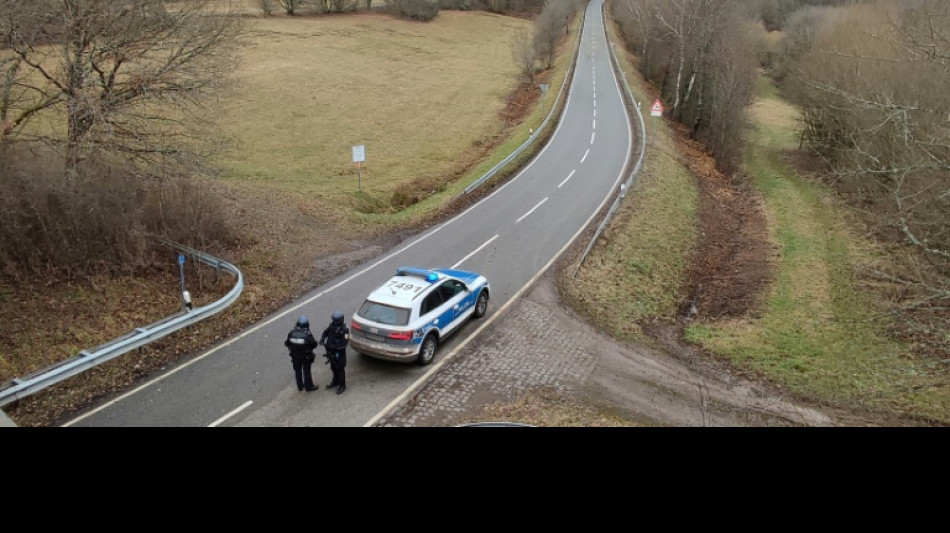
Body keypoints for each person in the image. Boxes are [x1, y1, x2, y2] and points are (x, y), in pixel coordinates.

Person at [285, 315, 318, 392]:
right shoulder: (307, 334)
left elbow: (287, 343)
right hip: (306, 356)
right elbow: (314, 344)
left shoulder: (291, 333)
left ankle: (300, 386)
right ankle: (309, 386)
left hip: (295, 356)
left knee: (297, 371)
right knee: (306, 371)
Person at [320, 311, 349, 395]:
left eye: (335, 320)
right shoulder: (332, 325)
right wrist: (322, 339)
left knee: (340, 369)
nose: (333, 321)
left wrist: (334, 347)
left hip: (339, 353)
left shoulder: (345, 329)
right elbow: (326, 332)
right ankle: (335, 381)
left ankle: (342, 385)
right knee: (333, 367)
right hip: (330, 352)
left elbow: (344, 343)